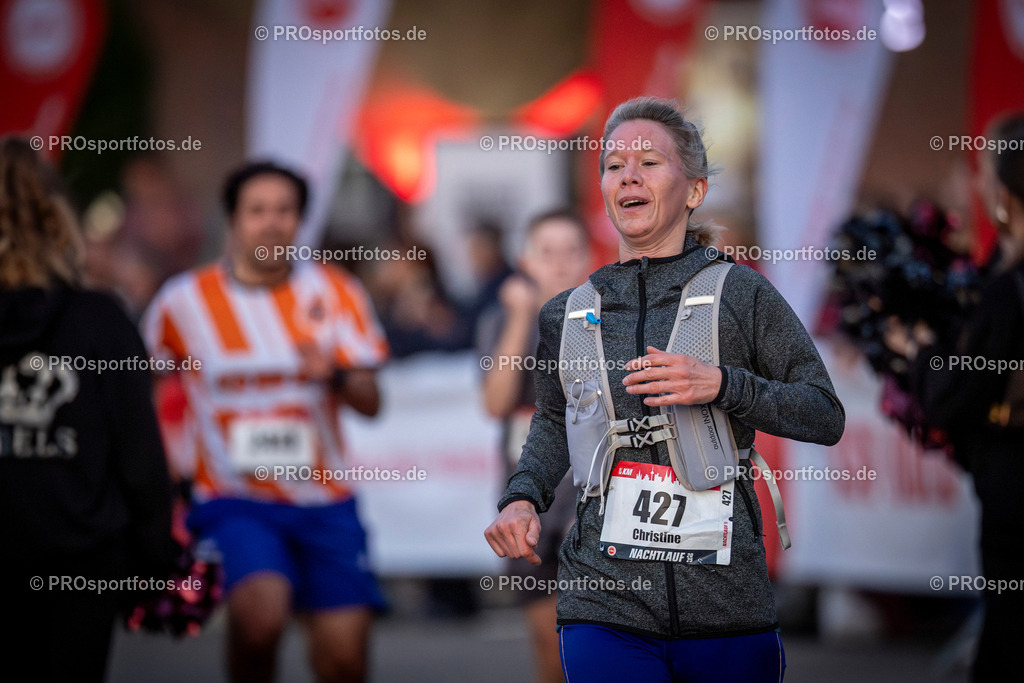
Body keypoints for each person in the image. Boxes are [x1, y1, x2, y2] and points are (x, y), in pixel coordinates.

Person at [484, 97, 845, 681]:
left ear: (695, 191)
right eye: (613, 164)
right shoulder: (568, 314)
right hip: (603, 600)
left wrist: (723, 384)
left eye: (649, 162)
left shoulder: (741, 295)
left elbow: (824, 414)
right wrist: (522, 497)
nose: (627, 173)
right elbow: (553, 423)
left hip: (727, 603)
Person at [142, 160, 389, 682]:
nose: (272, 223)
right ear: (233, 219)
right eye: (257, 211)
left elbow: (372, 402)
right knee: (261, 618)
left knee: (345, 658)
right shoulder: (181, 302)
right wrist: (158, 473)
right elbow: (140, 387)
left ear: (300, 220)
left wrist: (337, 375)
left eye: (284, 211)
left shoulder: (337, 292)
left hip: (326, 502)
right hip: (234, 498)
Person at [0, 137, 175, 682]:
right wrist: (154, 565)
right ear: (62, 221)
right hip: (79, 560)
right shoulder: (102, 323)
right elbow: (139, 456)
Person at [903, 113, 1024, 681]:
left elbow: (954, 400)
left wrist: (921, 353)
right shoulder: (995, 283)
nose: (976, 185)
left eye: (984, 172)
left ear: (1005, 194)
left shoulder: (1005, 294)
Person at [477, 210, 591, 683]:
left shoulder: (606, 319)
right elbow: (496, 401)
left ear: (588, 258)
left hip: (591, 495)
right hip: (526, 501)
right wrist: (523, 315)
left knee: (587, 639)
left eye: (571, 252)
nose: (560, 264)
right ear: (526, 260)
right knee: (550, 647)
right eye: (547, 252)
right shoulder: (503, 320)